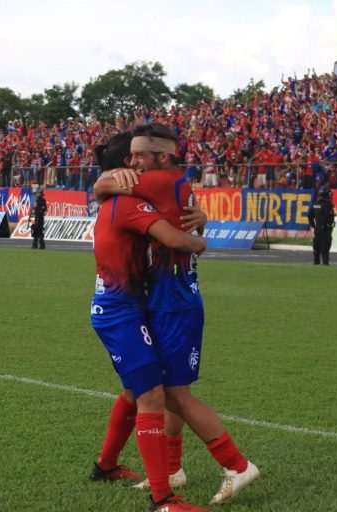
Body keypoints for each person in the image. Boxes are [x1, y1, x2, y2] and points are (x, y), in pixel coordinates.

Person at [95, 123, 259, 508]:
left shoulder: (150, 184)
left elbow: (101, 188)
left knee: (171, 394)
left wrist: (105, 179)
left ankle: (235, 466)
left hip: (173, 304)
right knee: (161, 391)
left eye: (140, 155)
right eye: (130, 157)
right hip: (162, 301)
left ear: (163, 157)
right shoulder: (169, 183)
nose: (134, 162)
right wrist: (201, 228)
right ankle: (168, 470)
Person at [90, 131, 209, 512]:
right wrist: (201, 241)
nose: (138, 163)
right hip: (120, 311)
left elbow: (175, 209)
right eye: (133, 157)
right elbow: (175, 238)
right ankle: (163, 499)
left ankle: (105, 466)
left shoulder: (125, 197)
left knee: (134, 391)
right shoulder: (127, 202)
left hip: (130, 307)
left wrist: (201, 216)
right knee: (152, 395)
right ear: (125, 165)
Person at [307, 186, 335, 265]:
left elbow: (309, 215)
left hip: (317, 229)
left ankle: (316, 263)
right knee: (325, 249)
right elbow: (327, 216)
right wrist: (327, 224)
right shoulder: (327, 205)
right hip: (325, 230)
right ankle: (325, 264)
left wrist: (314, 225)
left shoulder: (315, 204)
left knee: (316, 249)